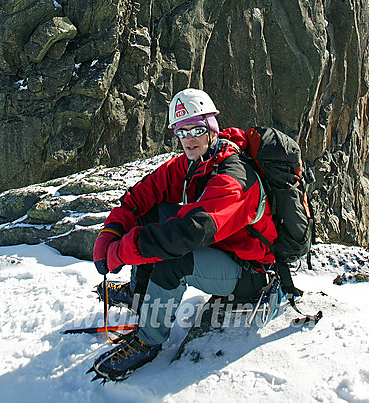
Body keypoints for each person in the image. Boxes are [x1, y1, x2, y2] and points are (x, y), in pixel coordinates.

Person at [91, 87, 277, 381]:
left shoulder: (234, 176)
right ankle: (140, 294)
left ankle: (148, 340)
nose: (189, 138)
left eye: (196, 129)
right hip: (220, 246)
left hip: (247, 270)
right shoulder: (198, 160)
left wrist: (121, 251)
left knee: (173, 261)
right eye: (181, 131)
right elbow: (146, 192)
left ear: (211, 129)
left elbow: (189, 233)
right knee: (152, 211)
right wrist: (113, 228)